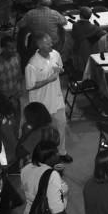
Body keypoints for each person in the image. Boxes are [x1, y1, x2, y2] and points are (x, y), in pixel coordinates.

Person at [25, 33, 71, 163]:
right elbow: (30, 86)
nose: (52, 44)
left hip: (56, 100)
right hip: (42, 104)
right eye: (48, 43)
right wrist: (48, 80)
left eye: (51, 42)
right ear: (39, 45)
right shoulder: (32, 64)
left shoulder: (55, 54)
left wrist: (60, 70)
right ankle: (42, 157)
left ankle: (62, 152)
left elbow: (60, 67)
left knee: (62, 125)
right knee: (43, 133)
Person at [20, 140, 71, 214]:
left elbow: (30, 189)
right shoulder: (51, 175)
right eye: (56, 153)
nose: (58, 155)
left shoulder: (25, 169)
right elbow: (56, 208)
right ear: (48, 157)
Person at [14, 102, 60, 167]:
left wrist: (24, 135)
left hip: (37, 165)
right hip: (52, 161)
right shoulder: (54, 125)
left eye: (27, 117)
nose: (25, 120)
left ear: (33, 119)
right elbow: (58, 142)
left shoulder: (35, 135)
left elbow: (19, 153)